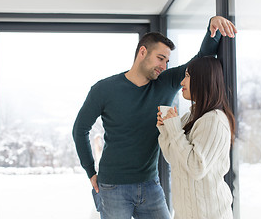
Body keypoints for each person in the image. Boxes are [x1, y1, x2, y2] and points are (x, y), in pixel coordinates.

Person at [73, 16, 237, 219]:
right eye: (160, 58)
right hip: (112, 187)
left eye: (167, 61)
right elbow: (80, 129)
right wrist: (90, 171)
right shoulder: (104, 89)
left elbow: (201, 60)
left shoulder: (165, 82)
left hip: (150, 185)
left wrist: (213, 30)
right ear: (143, 52)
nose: (164, 66)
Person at [156, 55, 236, 219]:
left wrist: (175, 129)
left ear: (202, 79)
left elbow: (196, 168)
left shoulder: (214, 120)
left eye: (187, 76)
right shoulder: (190, 117)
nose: (182, 83)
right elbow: (174, 158)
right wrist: (166, 130)